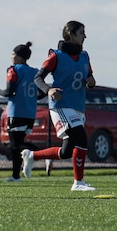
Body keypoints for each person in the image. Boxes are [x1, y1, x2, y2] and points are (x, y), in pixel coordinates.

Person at [21, 21, 97, 191]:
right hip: (61, 105)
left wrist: (91, 82)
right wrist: (48, 90)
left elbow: (90, 78)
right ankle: (78, 183)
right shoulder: (56, 56)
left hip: (78, 106)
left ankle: (32, 156)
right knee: (81, 138)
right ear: (70, 34)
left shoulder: (85, 56)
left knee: (66, 152)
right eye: (81, 33)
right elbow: (38, 78)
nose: (85, 36)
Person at [0, 41, 40, 182]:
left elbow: (9, 91)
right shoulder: (35, 72)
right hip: (30, 113)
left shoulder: (13, 69)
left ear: (19, 57)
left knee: (16, 145)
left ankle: (40, 154)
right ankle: (16, 176)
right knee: (17, 146)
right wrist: (31, 98)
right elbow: (43, 92)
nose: (11, 57)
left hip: (17, 112)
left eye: (13, 54)